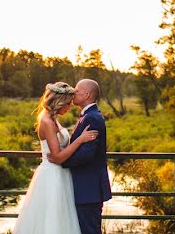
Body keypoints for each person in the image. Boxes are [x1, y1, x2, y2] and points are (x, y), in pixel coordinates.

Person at [12, 82, 99, 234]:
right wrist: (80, 139)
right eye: (67, 104)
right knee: (52, 217)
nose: (69, 107)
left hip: (62, 175)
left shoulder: (53, 118)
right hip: (52, 175)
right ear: (59, 102)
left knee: (63, 217)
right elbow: (57, 157)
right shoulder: (46, 121)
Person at [58, 79, 112, 234]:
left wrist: (62, 160)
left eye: (77, 91)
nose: (73, 93)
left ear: (87, 95)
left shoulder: (92, 117)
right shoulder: (88, 115)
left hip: (88, 189)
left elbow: (87, 155)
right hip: (86, 188)